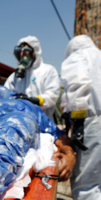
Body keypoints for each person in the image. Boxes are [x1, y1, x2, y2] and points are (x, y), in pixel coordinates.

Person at [60, 34, 101, 200]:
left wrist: (77, 121)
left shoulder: (78, 56)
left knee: (86, 186)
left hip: (92, 121)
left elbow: (78, 84)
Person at [4, 35, 60, 121]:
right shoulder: (14, 77)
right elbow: (5, 95)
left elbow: (52, 95)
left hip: (43, 124)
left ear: (35, 52)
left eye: (26, 51)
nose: (22, 55)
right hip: (20, 122)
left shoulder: (48, 71)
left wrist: (34, 100)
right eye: (20, 52)